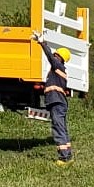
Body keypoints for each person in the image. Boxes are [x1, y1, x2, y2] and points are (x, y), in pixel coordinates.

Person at [33, 31, 73, 163]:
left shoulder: (57, 67)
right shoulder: (59, 70)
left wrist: (42, 43)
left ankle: (64, 157)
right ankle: (68, 155)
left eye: (57, 56)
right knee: (62, 128)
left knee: (58, 128)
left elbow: (49, 56)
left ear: (60, 58)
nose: (54, 57)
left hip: (56, 103)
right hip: (58, 103)